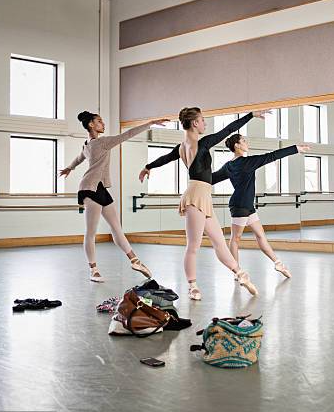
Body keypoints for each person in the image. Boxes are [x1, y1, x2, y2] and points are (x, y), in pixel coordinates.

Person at [139, 108, 268, 300]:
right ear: (194, 123)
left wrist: (148, 167)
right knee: (193, 245)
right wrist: (251, 115)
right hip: (196, 196)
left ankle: (240, 273)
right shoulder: (201, 143)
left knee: (219, 243)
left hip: (203, 196)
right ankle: (192, 286)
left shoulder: (181, 147)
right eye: (202, 120)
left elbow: (164, 159)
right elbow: (228, 130)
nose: (205, 124)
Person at [59, 111, 168, 282]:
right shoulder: (102, 142)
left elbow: (80, 157)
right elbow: (127, 134)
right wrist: (150, 122)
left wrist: (69, 168)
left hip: (100, 188)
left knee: (116, 228)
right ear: (91, 125)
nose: (103, 124)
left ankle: (135, 260)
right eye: (99, 121)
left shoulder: (87, 144)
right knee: (91, 232)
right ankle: (93, 270)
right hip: (89, 188)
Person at [211, 134, 309, 278]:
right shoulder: (247, 162)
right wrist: (295, 149)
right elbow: (272, 156)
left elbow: (211, 179)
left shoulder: (228, 166)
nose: (246, 142)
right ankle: (237, 272)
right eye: (243, 141)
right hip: (240, 205)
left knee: (260, 235)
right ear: (237, 146)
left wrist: (196, 176)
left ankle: (278, 263)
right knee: (235, 239)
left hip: (246, 205)